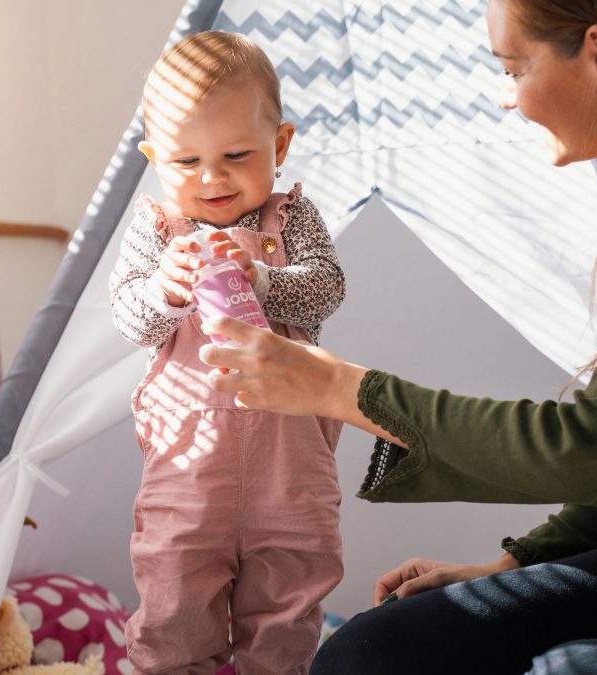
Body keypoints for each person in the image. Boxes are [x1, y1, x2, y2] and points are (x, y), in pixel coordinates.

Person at [198, 1, 597, 673]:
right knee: (369, 652)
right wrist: (519, 562)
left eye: (515, 67)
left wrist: (337, 387)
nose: (505, 97)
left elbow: (589, 444)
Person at [108, 31, 347, 675]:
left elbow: (327, 290)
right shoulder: (159, 230)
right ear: (156, 158)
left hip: (289, 470)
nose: (212, 178)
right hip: (187, 469)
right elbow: (128, 319)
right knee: (174, 598)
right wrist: (165, 288)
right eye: (186, 163)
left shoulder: (289, 219)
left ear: (280, 145)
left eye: (237, 154)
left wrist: (263, 277)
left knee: (289, 605)